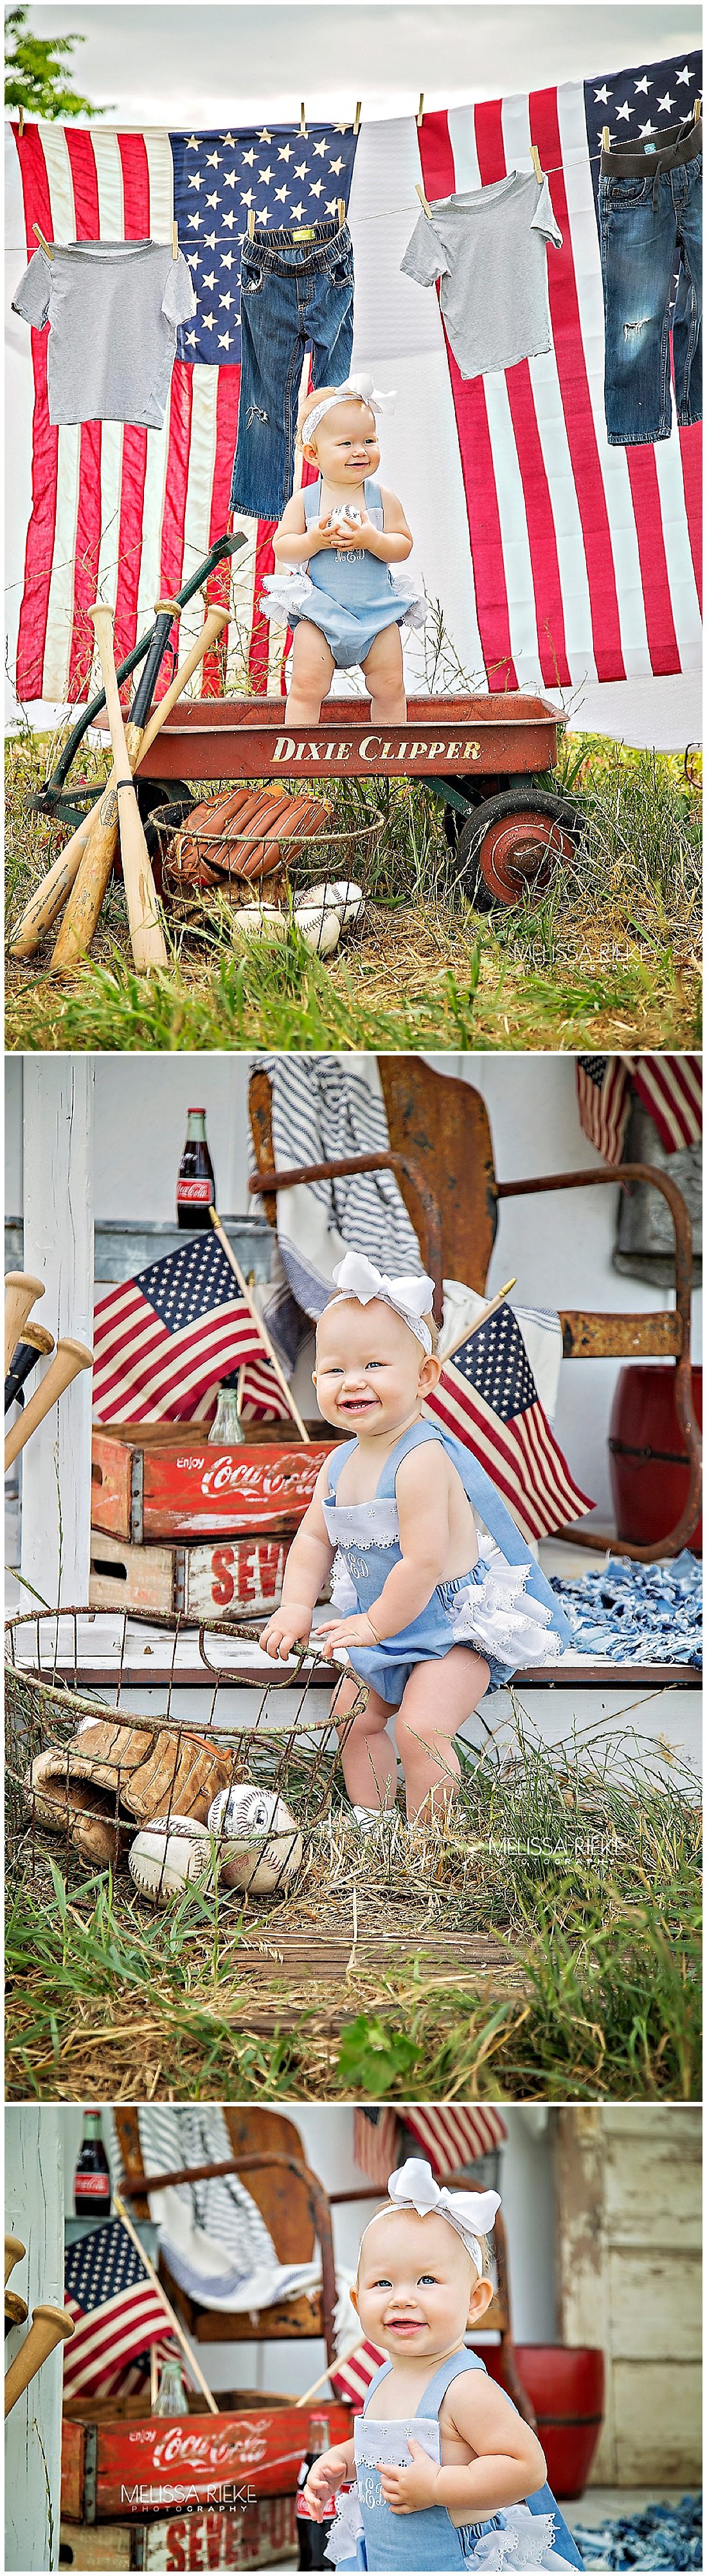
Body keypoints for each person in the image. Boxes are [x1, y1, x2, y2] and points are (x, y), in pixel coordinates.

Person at [260, 1252, 571, 1822]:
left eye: (374, 1365)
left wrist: (373, 1627)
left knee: (420, 1728)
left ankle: (431, 1842)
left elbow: (423, 1563)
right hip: (381, 1625)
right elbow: (312, 1541)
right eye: (334, 1370)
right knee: (352, 1722)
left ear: (424, 1376)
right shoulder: (337, 1462)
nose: (352, 1381)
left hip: (447, 1627)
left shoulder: (422, 1458)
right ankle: (373, 1823)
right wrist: (295, 1606)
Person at [305, 2158, 584, 2570]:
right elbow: (385, 2450)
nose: (402, 2297)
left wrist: (439, 2484)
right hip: (388, 2559)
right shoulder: (383, 2377)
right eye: (383, 2283)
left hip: (453, 2560)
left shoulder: (464, 2388)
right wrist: (344, 2462)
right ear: (357, 2302)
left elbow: (526, 2468)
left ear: (475, 2300)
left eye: (427, 2280)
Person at [260, 374, 426, 722]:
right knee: (306, 687)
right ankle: (298, 759)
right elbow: (284, 548)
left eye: (369, 439)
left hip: (377, 613)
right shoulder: (306, 501)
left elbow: (403, 545)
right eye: (346, 443)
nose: (360, 450)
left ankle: (389, 757)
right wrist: (313, 540)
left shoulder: (382, 498)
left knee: (391, 685)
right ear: (312, 454)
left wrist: (374, 540)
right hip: (320, 616)